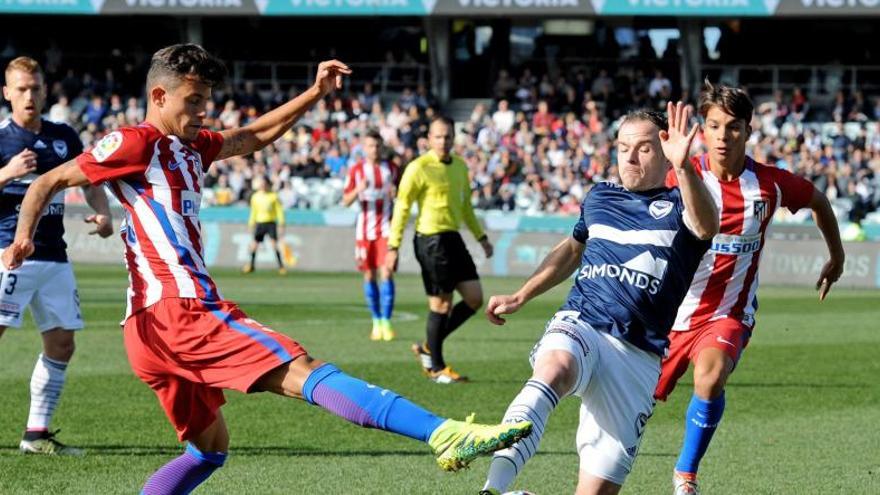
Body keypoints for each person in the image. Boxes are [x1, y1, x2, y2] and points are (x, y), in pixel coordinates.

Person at [2, 44, 532, 493]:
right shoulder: (138, 142)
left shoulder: (193, 147)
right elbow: (49, 181)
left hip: (148, 329)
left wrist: (316, 93)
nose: (204, 111)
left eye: (207, 100)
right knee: (304, 370)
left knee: (210, 451)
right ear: (159, 97)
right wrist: (24, 235)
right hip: (180, 310)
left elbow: (254, 135)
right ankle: (443, 433)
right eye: (194, 101)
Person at [480, 103, 720, 495]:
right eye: (623, 146)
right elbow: (571, 250)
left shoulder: (685, 202)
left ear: (665, 152)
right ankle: (492, 487)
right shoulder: (599, 197)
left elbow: (707, 227)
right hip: (583, 321)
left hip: (638, 354)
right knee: (555, 367)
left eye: (643, 147)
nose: (629, 155)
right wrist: (522, 294)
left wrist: (686, 167)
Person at [655, 83, 845, 495]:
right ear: (702, 130)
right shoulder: (678, 177)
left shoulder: (769, 185)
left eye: (734, 127)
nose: (724, 136)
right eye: (715, 126)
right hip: (670, 312)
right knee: (639, 399)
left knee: (710, 376)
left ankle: (685, 476)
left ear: (749, 131)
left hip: (729, 312)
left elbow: (820, 202)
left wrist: (837, 257)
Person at [0, 56, 113, 456]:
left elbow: (91, 178)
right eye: (21, 89)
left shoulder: (64, 136)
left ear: (45, 91)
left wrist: (102, 212)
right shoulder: (1, 140)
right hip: (7, 256)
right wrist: (6, 173)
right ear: (7, 93)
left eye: (35, 88)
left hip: (54, 258)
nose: (29, 95)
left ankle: (36, 434)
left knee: (62, 344)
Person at [385, 116, 493, 384]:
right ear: (428, 139)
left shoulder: (459, 166)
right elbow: (402, 206)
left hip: (453, 238)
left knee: (474, 298)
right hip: (431, 241)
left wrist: (481, 237)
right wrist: (392, 246)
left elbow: (466, 206)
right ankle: (437, 367)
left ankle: (427, 347)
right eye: (438, 136)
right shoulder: (418, 168)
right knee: (441, 304)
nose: (443, 141)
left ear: (454, 138)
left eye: (447, 136)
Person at [342, 130, 397, 341]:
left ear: (382, 147)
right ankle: (376, 321)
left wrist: (396, 193)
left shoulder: (391, 169)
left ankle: (386, 321)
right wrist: (358, 190)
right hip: (364, 232)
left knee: (387, 273)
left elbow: (401, 196)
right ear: (364, 148)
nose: (374, 150)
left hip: (386, 230)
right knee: (369, 276)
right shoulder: (356, 170)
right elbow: (345, 201)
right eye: (370, 146)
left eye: (377, 146)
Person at [243, 175, 286, 275]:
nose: (262, 186)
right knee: (254, 245)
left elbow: (279, 211)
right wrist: (251, 223)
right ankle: (251, 265)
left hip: (270, 223)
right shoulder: (255, 197)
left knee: (274, 245)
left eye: (264, 184)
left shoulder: (273, 196)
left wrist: (281, 223)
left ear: (267, 184)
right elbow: (253, 211)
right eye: (261, 184)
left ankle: (281, 267)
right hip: (260, 223)